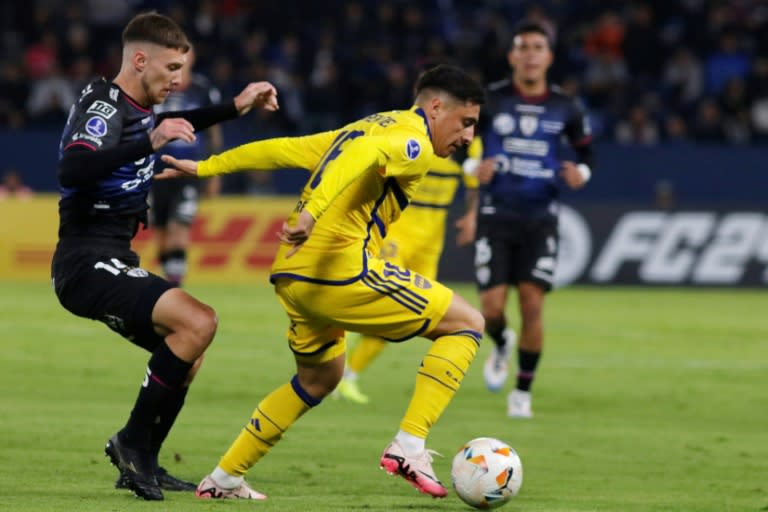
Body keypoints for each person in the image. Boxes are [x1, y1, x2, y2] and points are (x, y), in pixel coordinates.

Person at [159, 64, 486, 500]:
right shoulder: (413, 141)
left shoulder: (371, 125)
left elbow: (286, 149)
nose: (467, 136)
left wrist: (206, 168)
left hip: (294, 277)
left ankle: (223, 479)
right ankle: (410, 444)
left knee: (318, 380)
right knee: (467, 323)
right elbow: (357, 159)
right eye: (465, 123)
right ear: (436, 106)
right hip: (339, 269)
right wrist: (312, 212)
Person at [50, 12, 278, 501]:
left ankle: (145, 461)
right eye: (172, 67)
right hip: (84, 260)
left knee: (186, 352)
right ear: (139, 59)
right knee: (199, 322)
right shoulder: (105, 104)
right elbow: (73, 166)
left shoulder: (140, 107)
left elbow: (180, 123)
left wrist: (234, 108)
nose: (178, 79)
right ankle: (129, 443)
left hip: (114, 254)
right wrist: (146, 142)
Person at [461, 21, 595, 418]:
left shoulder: (566, 106)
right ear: (512, 56)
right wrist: (472, 165)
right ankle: (502, 342)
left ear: (549, 57)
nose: (531, 54)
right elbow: (455, 137)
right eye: (524, 47)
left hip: (541, 217)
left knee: (533, 303)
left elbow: (588, 153)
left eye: (539, 47)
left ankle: (522, 392)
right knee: (491, 309)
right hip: (496, 213)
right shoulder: (491, 100)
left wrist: (581, 173)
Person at [335, 154, 479, 404]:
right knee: (379, 299)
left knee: (407, 315)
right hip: (395, 233)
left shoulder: (468, 145)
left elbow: (475, 185)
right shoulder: (417, 138)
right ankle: (331, 351)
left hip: (430, 243)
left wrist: (471, 217)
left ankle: (348, 375)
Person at [150, 47, 223, 286]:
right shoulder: (155, 86)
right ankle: (170, 277)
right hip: (156, 171)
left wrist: (214, 172)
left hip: (189, 170)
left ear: (192, 58)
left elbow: (214, 132)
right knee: (160, 232)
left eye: (186, 54)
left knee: (179, 226)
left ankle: (174, 288)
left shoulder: (203, 90)